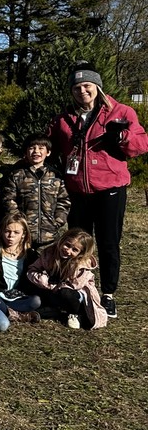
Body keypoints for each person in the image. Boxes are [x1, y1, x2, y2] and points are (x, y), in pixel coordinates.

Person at [46, 63, 148, 319]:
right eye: (77, 87)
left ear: (97, 87)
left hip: (109, 188)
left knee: (108, 242)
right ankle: (79, 286)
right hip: (77, 189)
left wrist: (123, 137)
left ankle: (108, 294)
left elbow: (141, 144)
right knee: (77, 243)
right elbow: (49, 146)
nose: (83, 91)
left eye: (87, 86)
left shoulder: (120, 112)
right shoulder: (63, 119)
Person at [27, 228, 107, 330]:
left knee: (66, 293)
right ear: (62, 240)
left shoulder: (82, 265)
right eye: (67, 245)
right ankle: (54, 311)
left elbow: (75, 285)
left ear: (81, 253)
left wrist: (53, 286)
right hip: (52, 287)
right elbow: (32, 269)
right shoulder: (49, 254)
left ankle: (75, 313)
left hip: (76, 294)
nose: (68, 251)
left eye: (74, 250)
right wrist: (42, 280)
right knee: (36, 291)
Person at [1, 134, 70, 251]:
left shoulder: (55, 176)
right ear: (26, 152)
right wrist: (19, 221)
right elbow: (8, 199)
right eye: (32, 148)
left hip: (49, 236)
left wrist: (58, 221)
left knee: (46, 267)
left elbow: (64, 201)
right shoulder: (17, 175)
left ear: (48, 152)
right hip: (23, 236)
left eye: (41, 148)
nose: (36, 151)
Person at [0, 213, 42, 324]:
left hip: (16, 296)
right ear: (2, 231)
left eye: (16, 232)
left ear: (23, 234)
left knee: (36, 301)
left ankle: (4, 309)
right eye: (7, 231)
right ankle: (15, 314)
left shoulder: (30, 255)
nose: (11, 235)